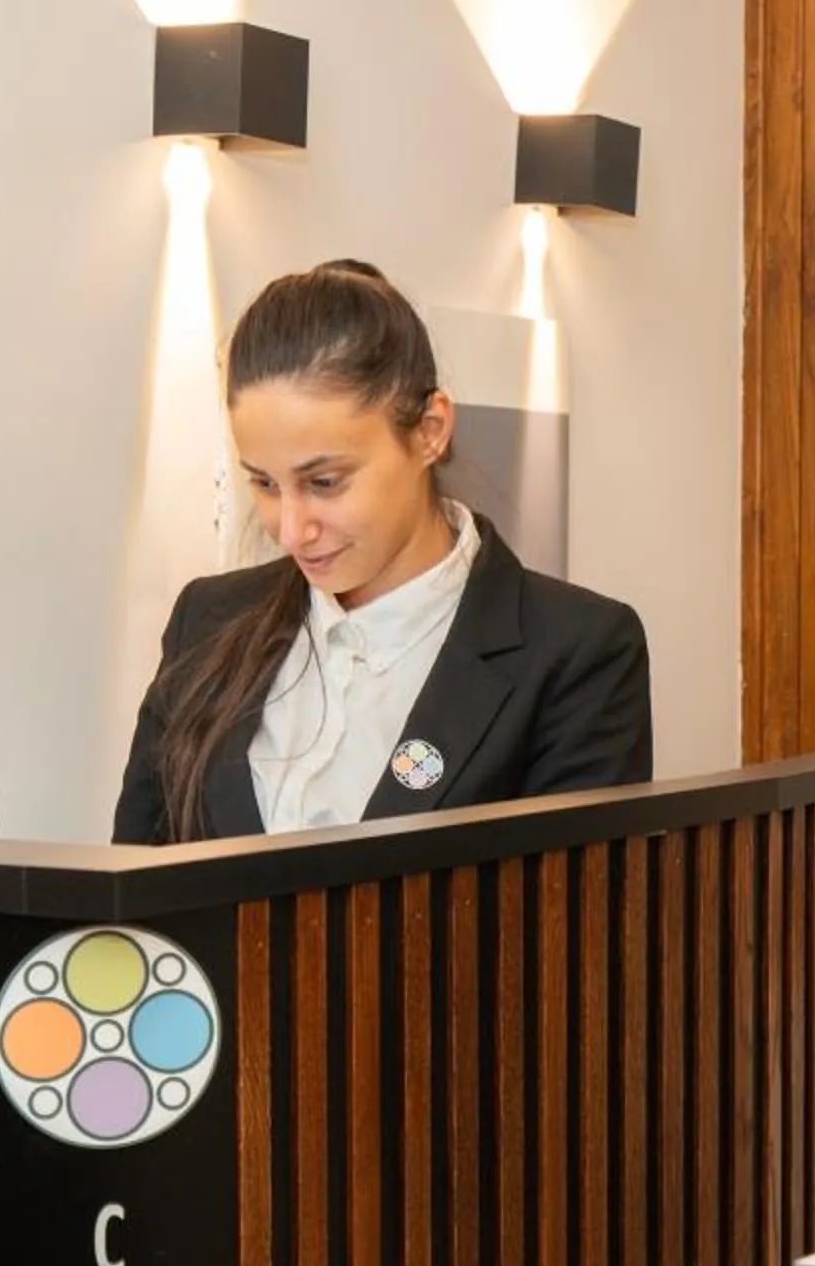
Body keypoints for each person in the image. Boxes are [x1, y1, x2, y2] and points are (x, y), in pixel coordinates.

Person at [113, 259, 652, 845]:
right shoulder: (207, 622)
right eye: (264, 484)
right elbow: (131, 906)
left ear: (429, 430)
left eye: (325, 482)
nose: (291, 530)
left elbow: (566, 921)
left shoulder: (577, 653)